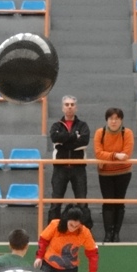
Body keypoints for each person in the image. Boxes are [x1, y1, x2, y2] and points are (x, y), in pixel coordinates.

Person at [33, 204, 98, 272]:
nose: (73, 228)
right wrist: (39, 257)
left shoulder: (84, 232)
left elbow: (92, 253)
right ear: (66, 220)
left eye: (77, 226)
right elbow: (43, 241)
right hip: (49, 265)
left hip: (69, 270)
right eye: (71, 225)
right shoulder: (55, 225)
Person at [47, 95, 92, 226]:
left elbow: (84, 141)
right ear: (62, 108)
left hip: (78, 168)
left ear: (76, 108)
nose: (69, 107)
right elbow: (55, 137)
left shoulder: (83, 125)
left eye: (72, 104)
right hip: (60, 168)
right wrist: (73, 136)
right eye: (67, 104)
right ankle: (52, 231)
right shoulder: (56, 125)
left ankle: (86, 232)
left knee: (82, 202)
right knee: (55, 203)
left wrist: (64, 142)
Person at [93, 106, 134, 243]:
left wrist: (108, 157)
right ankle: (108, 233)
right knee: (108, 203)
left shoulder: (127, 133)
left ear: (121, 120)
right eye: (111, 118)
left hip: (123, 172)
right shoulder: (100, 132)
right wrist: (116, 155)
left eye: (117, 119)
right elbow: (98, 153)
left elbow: (127, 153)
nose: (114, 122)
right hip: (105, 174)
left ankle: (116, 234)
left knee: (119, 203)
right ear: (107, 120)